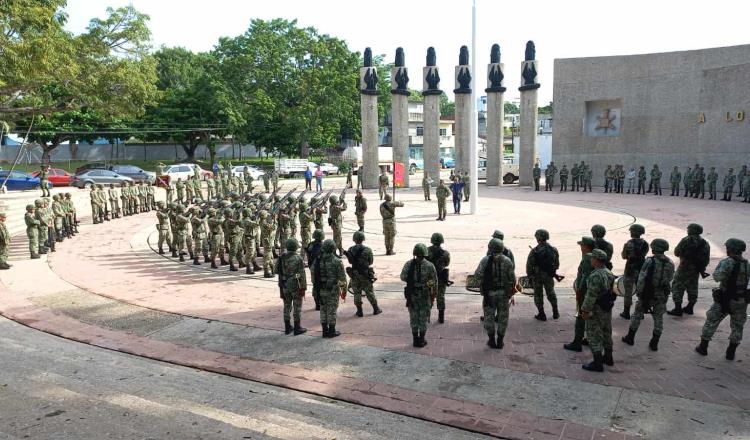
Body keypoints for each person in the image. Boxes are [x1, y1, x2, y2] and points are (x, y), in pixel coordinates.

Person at [695, 238, 748, 360]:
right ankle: (731, 351)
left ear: (731, 249)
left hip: (726, 298)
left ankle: (703, 347)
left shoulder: (727, 262)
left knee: (711, 320)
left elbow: (718, 277)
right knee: (738, 326)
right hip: (741, 300)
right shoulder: (746, 263)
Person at [622, 238, 675, 351]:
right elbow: (670, 278)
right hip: (661, 294)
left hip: (648, 293)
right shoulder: (670, 262)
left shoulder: (650, 261)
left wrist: (640, 292)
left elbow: (642, 278)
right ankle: (654, 342)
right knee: (658, 318)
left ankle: (630, 337)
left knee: (637, 315)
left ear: (655, 248)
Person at [474, 238, 516, 349]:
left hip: (489, 294)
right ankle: (500, 341)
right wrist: (510, 292)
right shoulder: (507, 261)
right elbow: (512, 279)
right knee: (503, 317)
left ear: (490, 248)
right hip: (503, 294)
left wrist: (482, 286)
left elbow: (477, 276)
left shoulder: (485, 260)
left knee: (489, 316)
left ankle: (491, 340)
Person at [580, 249, 616, 372]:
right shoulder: (608, 272)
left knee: (594, 334)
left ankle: (597, 362)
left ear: (596, 260)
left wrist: (584, 310)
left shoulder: (595, 275)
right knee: (607, 332)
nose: (591, 260)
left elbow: (591, 295)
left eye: (592, 258)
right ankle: (608, 357)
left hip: (596, 309)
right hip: (606, 308)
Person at [668, 223, 710, 316]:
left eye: (689, 229)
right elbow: (706, 259)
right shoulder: (705, 243)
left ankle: (677, 309)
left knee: (677, 287)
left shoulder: (686, 240)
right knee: (693, 288)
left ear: (693, 230)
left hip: (684, 268)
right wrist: (700, 268)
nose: (687, 230)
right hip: (696, 270)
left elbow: (676, 252)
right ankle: (690, 307)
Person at [400, 243, 438, 348]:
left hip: (412, 294)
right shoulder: (430, 265)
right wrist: (427, 286)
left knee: (413, 316)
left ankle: (415, 340)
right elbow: (434, 282)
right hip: (424, 294)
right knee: (423, 316)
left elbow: (402, 277)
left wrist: (412, 281)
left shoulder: (409, 264)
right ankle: (421, 339)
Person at [563, 236, 595, 352]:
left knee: (580, 317)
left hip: (585, 293)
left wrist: (579, 292)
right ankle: (589, 338)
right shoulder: (594, 256)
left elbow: (584, 277)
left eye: (582, 245)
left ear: (585, 246)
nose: (580, 247)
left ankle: (577, 342)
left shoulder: (587, 258)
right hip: (592, 292)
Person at [526, 229, 560, 321]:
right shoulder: (553, 249)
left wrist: (530, 276)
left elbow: (529, 265)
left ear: (537, 238)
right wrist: (551, 271)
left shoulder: (534, 251)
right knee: (551, 292)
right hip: (549, 275)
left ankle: (542, 314)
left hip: (537, 276)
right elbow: (557, 264)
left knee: (538, 295)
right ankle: (555, 311)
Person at [345, 231, 381, 317]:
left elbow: (350, 261)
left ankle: (359, 311)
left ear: (354, 239)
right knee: (369, 292)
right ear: (363, 239)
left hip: (355, 274)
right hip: (365, 274)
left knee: (357, 292)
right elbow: (371, 262)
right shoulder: (368, 250)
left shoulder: (350, 249)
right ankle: (376, 309)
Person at [276, 238, 308, 336]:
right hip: (295, 285)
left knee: (287, 305)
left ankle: (287, 327)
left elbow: (276, 271)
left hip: (284, 285)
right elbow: (302, 275)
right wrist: (303, 288)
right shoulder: (298, 258)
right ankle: (297, 327)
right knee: (297, 306)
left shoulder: (281, 257)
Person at [316, 239, 347, 338]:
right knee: (332, 310)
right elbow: (342, 279)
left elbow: (313, 275)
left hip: (321, 289)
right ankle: (332, 331)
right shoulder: (337, 261)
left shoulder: (318, 260)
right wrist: (344, 291)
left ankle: (325, 331)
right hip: (333, 290)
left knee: (323, 309)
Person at [619, 224, 649, 319]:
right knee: (642, 291)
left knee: (628, 291)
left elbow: (624, 256)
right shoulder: (645, 243)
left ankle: (626, 312)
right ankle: (641, 312)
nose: (630, 232)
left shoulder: (628, 244)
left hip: (630, 269)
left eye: (631, 231)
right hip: (641, 268)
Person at [426, 232, 451, 324]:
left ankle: (427, 317)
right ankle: (441, 318)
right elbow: (447, 264)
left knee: (429, 296)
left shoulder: (426, 251)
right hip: (441, 278)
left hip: (430, 279)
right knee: (441, 296)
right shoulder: (445, 253)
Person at [306, 229, 325, 310]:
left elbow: (308, 255)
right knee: (323, 284)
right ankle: (323, 302)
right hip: (323, 267)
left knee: (315, 285)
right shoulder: (324, 245)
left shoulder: (310, 245)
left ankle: (317, 304)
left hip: (313, 267)